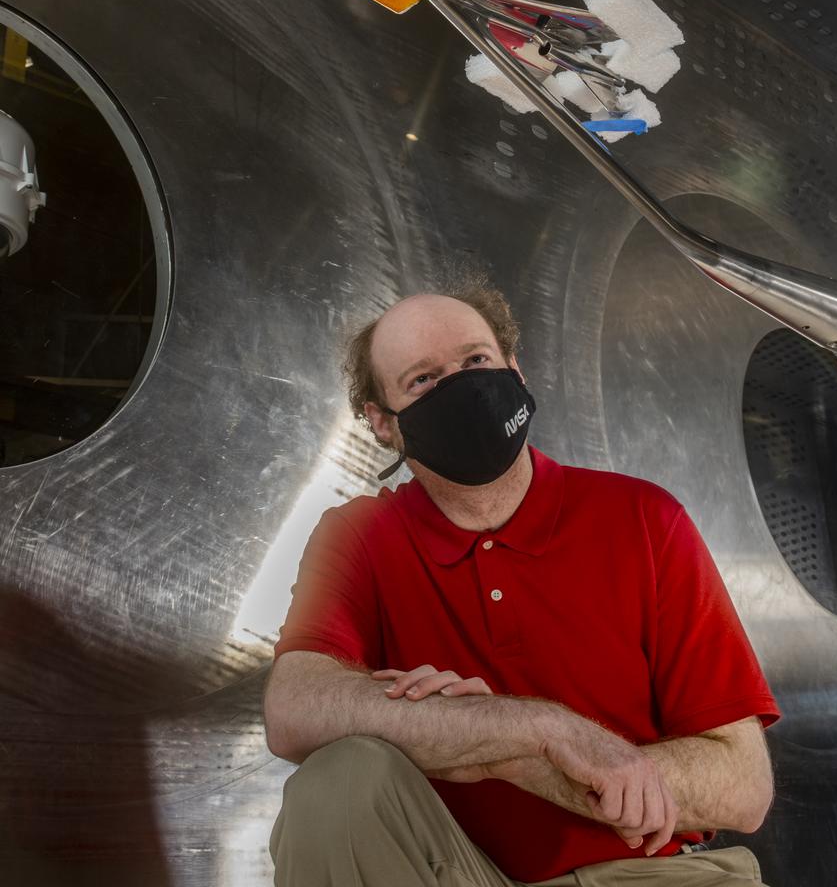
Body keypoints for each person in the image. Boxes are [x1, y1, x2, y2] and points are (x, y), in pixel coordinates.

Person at [263, 274, 781, 886]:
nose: (462, 389)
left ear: (515, 369)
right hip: (461, 873)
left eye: (476, 361)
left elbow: (744, 786)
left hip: (653, 875)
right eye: (423, 380)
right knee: (336, 780)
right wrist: (535, 730)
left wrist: (498, 753)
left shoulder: (643, 517)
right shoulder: (359, 535)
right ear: (383, 423)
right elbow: (295, 709)